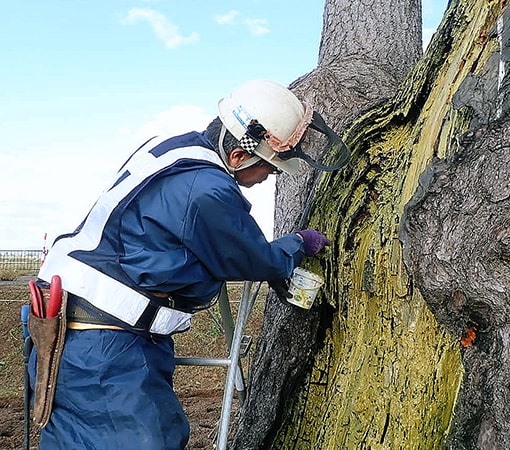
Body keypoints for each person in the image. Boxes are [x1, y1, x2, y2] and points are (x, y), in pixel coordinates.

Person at [29, 80, 343, 449]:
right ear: (240, 156)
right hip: (105, 348)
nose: (266, 179)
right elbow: (252, 257)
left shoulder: (171, 150)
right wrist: (296, 245)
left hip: (72, 326)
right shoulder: (207, 188)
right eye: (270, 170)